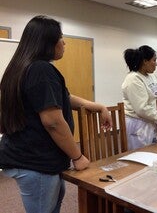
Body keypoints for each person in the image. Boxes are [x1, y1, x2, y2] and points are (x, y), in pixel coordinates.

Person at [0, 15, 112, 213]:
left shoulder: (23, 66)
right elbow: (52, 121)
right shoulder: (41, 70)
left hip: (28, 155)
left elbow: (62, 97)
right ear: (47, 42)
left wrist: (96, 105)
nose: (64, 42)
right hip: (35, 161)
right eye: (60, 37)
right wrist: (77, 156)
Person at [122, 45, 157, 150]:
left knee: (152, 152)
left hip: (150, 121)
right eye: (154, 60)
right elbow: (141, 109)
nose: (156, 64)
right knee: (139, 157)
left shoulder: (152, 76)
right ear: (145, 61)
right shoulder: (133, 79)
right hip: (137, 124)